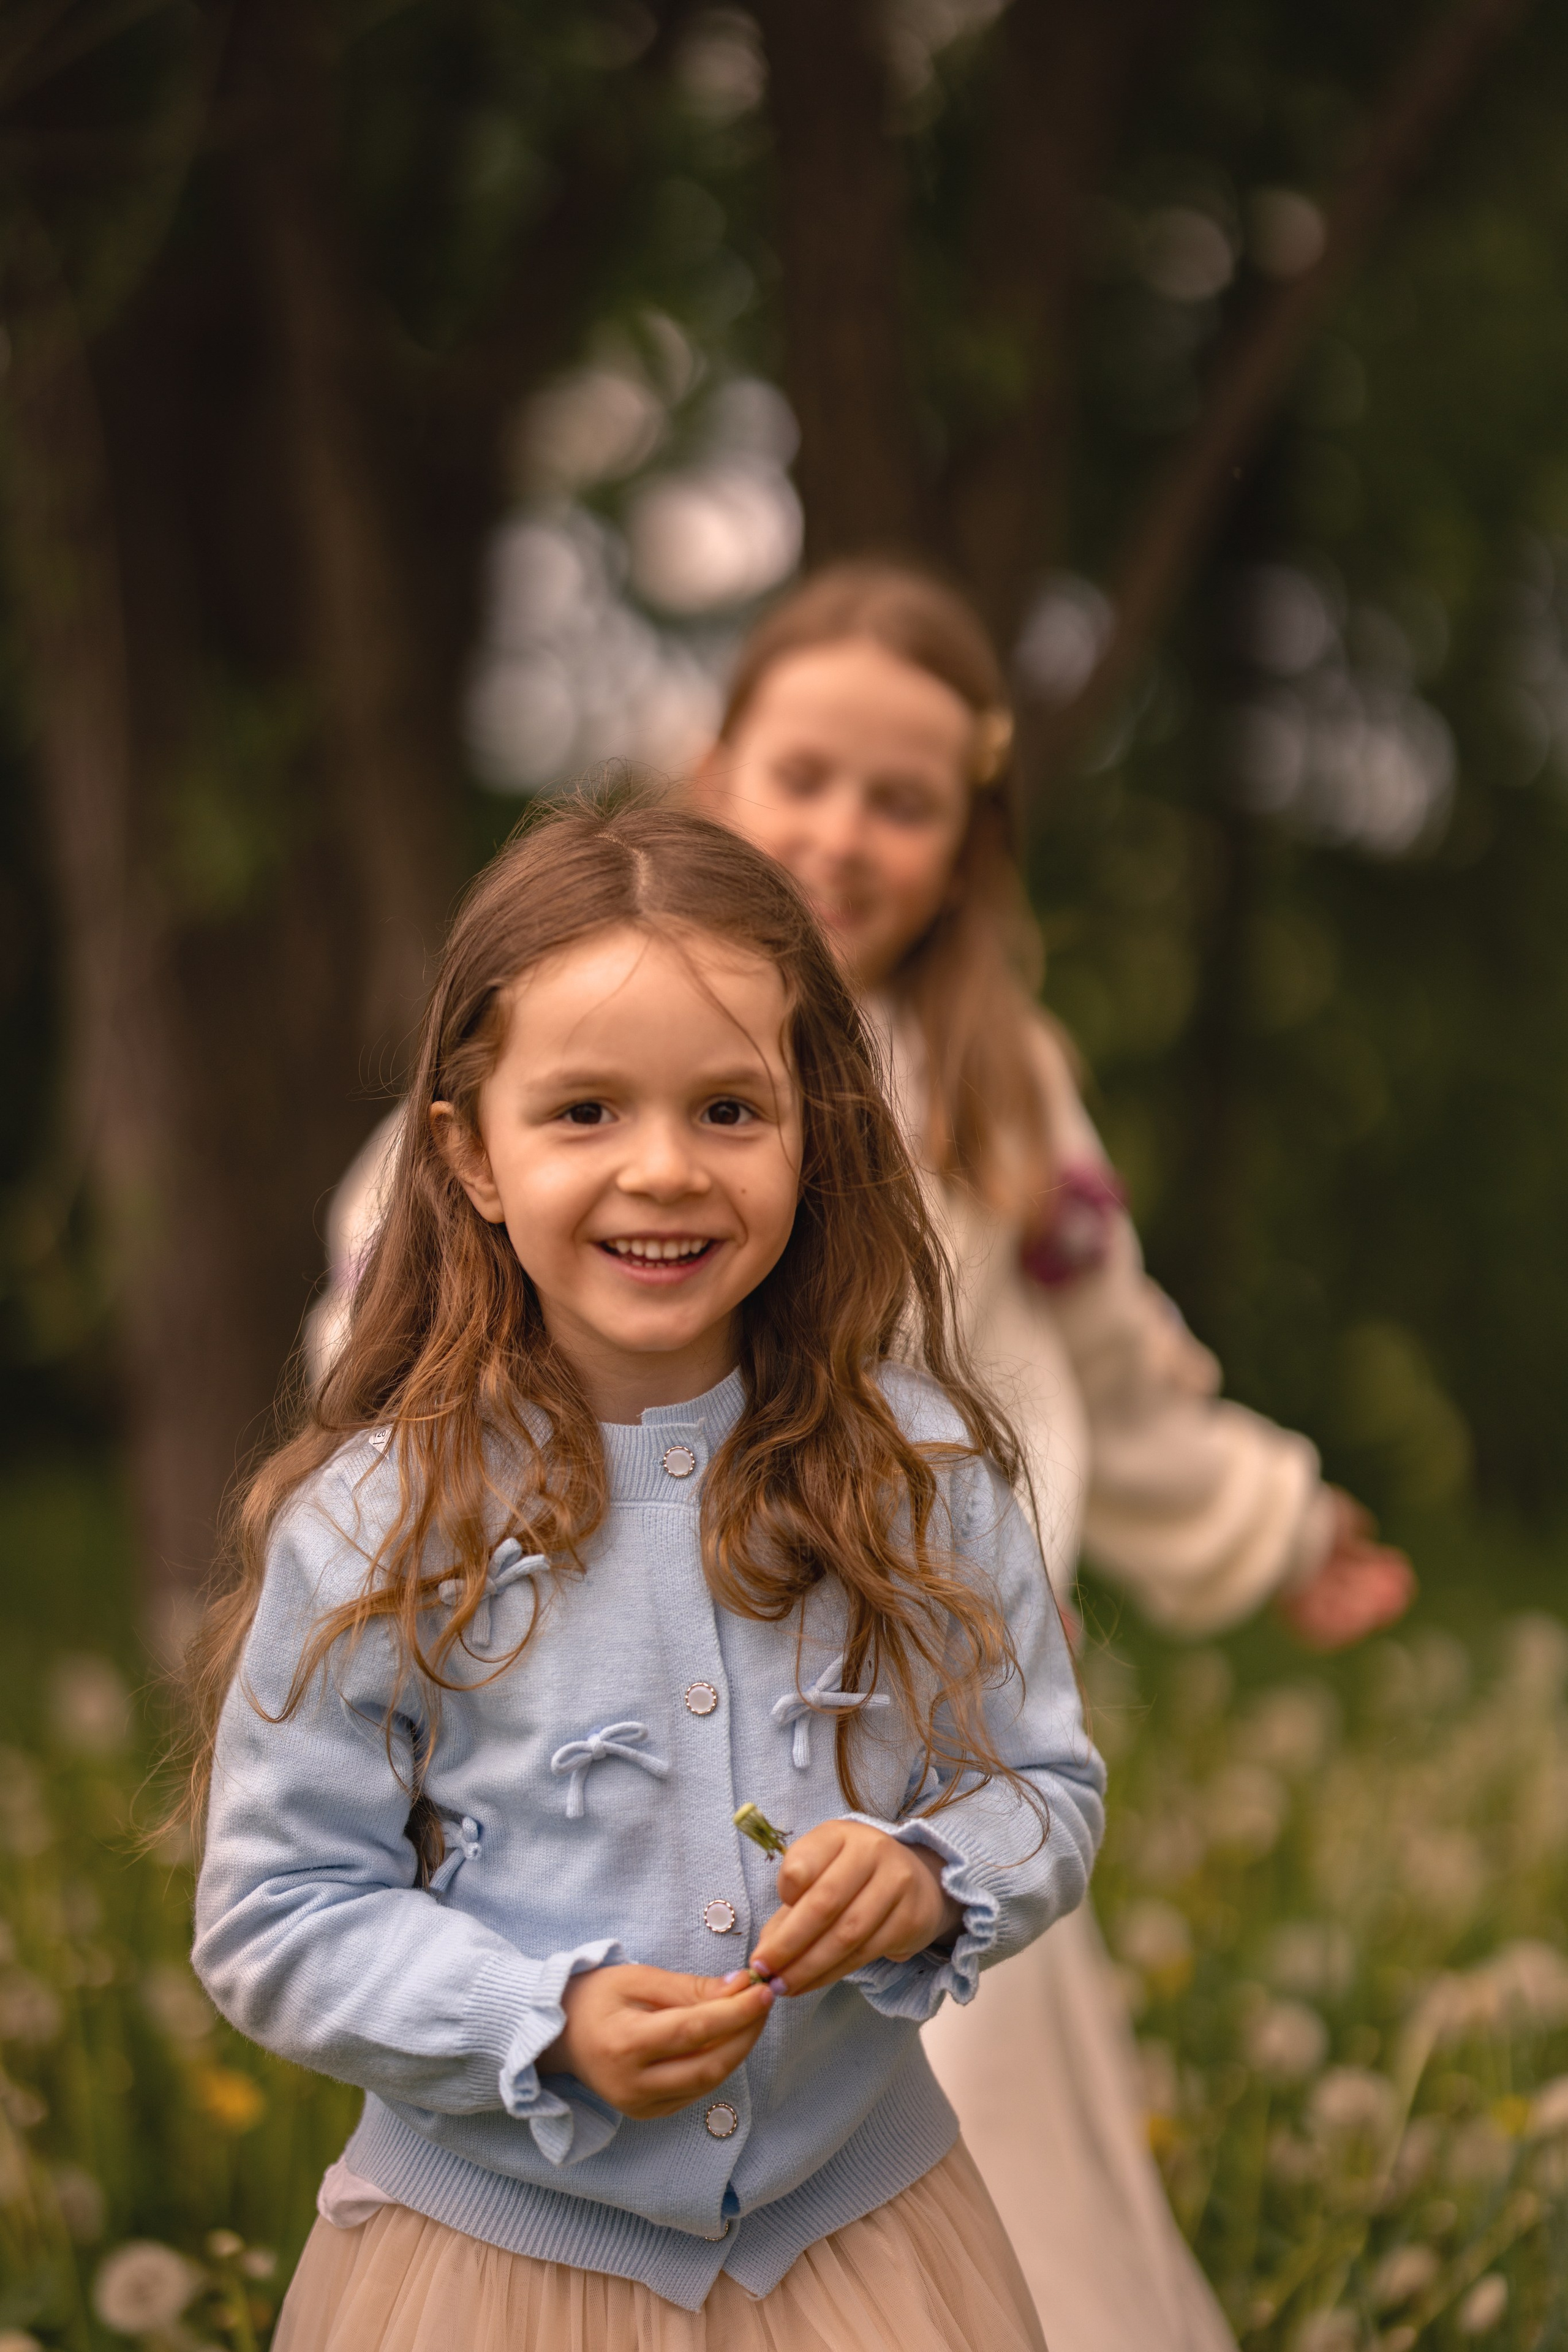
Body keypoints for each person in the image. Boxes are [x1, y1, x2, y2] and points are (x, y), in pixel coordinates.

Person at [305, 561, 1415, 2350]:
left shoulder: (997, 1083)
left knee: (971, 2224)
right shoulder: (582, 1013)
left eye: (904, 802)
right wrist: (426, 1524)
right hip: (605, 1755)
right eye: (803, 775)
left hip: (914, 1750)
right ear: (717, 761)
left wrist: (1270, 1521)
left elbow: (1116, 1371)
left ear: (969, 838)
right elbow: (398, 1285)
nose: (844, 832)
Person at [189, 798, 1104, 2352]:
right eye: (585, 1113)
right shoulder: (375, 1527)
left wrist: (930, 1875)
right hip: (492, 2271)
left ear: (816, 1127)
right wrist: (531, 2025)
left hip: (862, 2243)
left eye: (729, 1113)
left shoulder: (925, 1468)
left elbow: (1043, 1787)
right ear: (470, 1152)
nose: (664, 1171)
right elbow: (274, 1912)